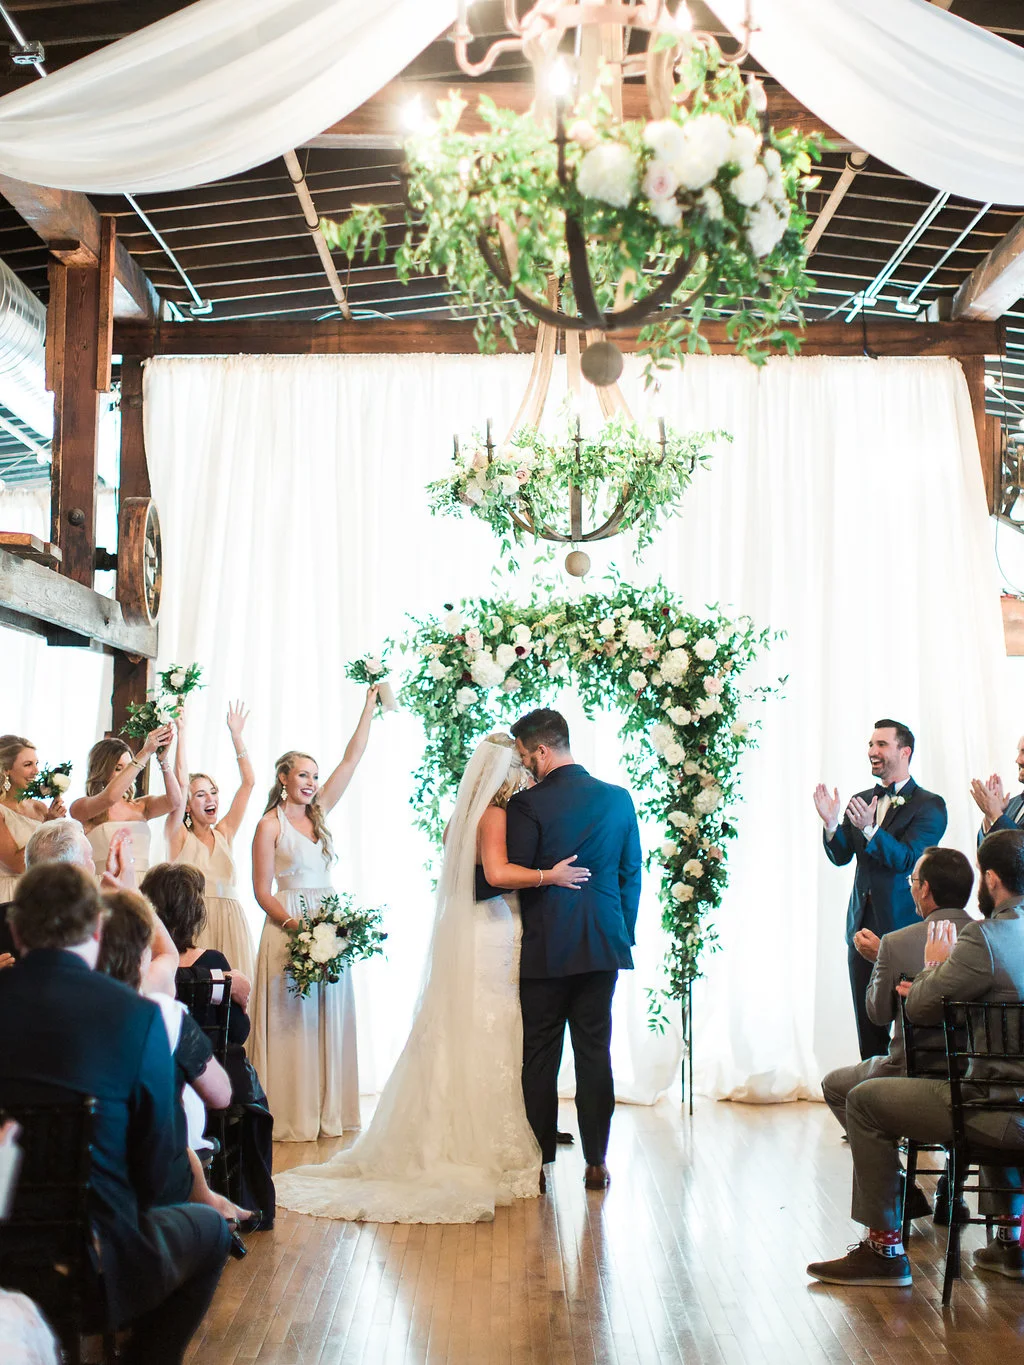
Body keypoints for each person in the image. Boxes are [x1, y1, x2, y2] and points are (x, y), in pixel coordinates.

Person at [273, 732, 589, 1222]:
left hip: (478, 929)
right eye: (520, 767)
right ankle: (479, 1139)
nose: (526, 774)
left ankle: (459, 1126)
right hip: (494, 929)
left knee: (472, 1028)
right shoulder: (497, 814)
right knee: (492, 1028)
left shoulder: (462, 817)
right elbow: (499, 874)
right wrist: (552, 875)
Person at [0, 862, 231, 1364]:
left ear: (16, 929)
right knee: (211, 1230)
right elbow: (152, 1175)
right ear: (97, 929)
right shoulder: (139, 1016)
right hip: (92, 1266)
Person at [807, 829, 1024, 1288]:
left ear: (990, 879)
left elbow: (922, 1007)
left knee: (864, 1099)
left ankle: (885, 1249)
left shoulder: (983, 940)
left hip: (991, 1108)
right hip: (1015, 1101)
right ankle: (1009, 1241)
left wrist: (932, 967)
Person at [505, 708, 642, 1192]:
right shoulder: (618, 798)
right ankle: (596, 1160)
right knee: (594, 1052)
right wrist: (621, 931)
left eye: (525, 756)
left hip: (546, 947)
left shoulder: (527, 806)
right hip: (603, 944)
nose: (524, 766)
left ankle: (541, 1162)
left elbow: (515, 875)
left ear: (542, 750)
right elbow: (631, 875)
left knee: (540, 1054)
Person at [249, 689, 378, 1141]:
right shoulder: (269, 825)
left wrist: (368, 707)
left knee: (328, 1016)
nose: (310, 782)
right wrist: (296, 928)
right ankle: (291, 1113)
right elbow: (261, 891)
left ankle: (328, 1112)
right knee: (295, 1021)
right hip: (290, 925)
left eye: (314, 776)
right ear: (283, 777)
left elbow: (352, 758)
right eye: (302, 774)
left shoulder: (320, 811)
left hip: (330, 924)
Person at [142, 862, 275, 1229]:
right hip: (213, 1078)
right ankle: (246, 1200)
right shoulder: (214, 965)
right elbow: (238, 1032)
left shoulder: (140, 965)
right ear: (194, 912)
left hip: (156, 1076)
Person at [815, 718, 947, 1061]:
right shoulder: (861, 800)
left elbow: (908, 860)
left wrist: (872, 830)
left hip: (904, 929)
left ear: (905, 751)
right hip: (861, 928)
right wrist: (831, 825)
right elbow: (841, 855)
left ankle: (907, 1103)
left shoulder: (930, 805)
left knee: (910, 1023)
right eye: (871, 745)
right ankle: (869, 1102)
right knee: (868, 1025)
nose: (873, 752)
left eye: (881, 745)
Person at [822, 847, 975, 1135]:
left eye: (912, 882)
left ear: (925, 889)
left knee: (834, 1086)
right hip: (972, 1072)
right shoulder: (985, 937)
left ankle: (890, 1159)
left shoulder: (895, 943)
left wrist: (881, 960)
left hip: (908, 1070)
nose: (911, 888)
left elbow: (877, 1015)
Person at [166, 702, 256, 979]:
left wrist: (236, 736)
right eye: (201, 794)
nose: (211, 799)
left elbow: (248, 782)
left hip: (232, 921)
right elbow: (180, 785)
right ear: (188, 806)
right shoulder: (178, 835)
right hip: (196, 923)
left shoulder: (225, 832)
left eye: (213, 792)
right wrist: (181, 733)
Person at [70, 725, 180, 878]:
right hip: (104, 887)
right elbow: (110, 797)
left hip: (141, 886)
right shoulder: (81, 806)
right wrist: (145, 752)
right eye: (118, 768)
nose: (128, 774)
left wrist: (163, 760)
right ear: (102, 770)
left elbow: (174, 801)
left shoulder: (142, 806)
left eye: (129, 767)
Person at [0, 735, 66, 902]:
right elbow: (18, 864)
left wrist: (60, 825)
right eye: (28, 765)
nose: (36, 771)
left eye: (36, 763)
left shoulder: (39, 807)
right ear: (6, 769)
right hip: (12, 895)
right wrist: (47, 827)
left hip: (44, 891)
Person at [971, 733, 1024, 840]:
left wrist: (996, 815)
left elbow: (1019, 851)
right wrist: (989, 816)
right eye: (1019, 752)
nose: (1018, 760)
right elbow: (985, 851)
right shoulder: (1012, 804)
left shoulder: (999, 812)